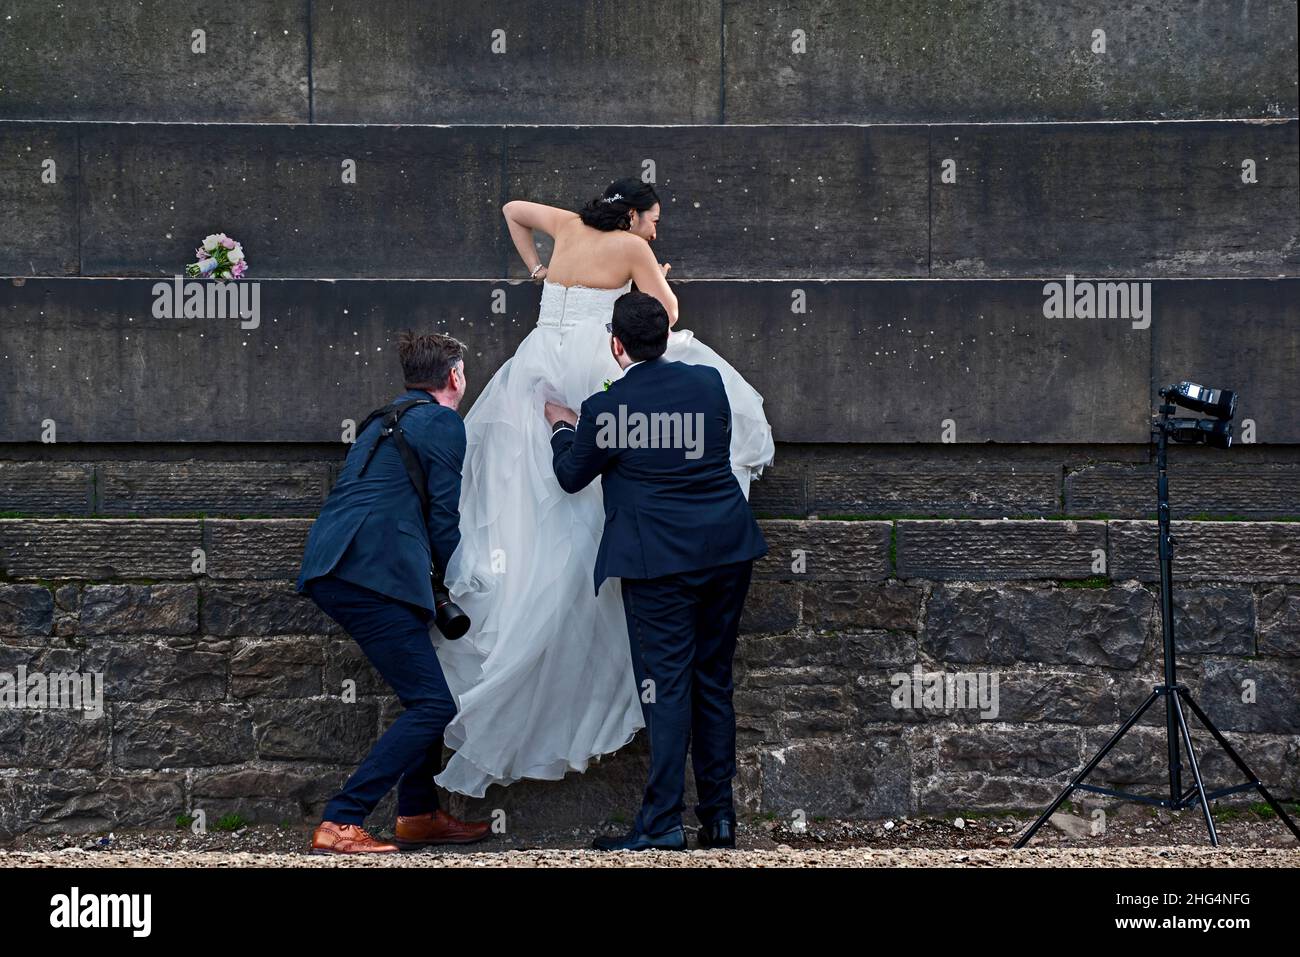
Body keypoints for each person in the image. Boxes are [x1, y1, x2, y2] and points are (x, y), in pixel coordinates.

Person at [433, 177, 774, 802]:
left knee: (527, 499)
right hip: (599, 362)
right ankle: (711, 809)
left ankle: (528, 617)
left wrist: (537, 270)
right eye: (654, 220)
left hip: (540, 364)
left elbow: (511, 208)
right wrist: (653, 273)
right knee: (663, 417)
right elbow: (666, 316)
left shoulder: (563, 222)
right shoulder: (634, 251)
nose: (656, 230)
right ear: (635, 216)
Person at [545, 291, 767, 850]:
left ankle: (662, 823)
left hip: (659, 564)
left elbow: (572, 477)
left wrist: (564, 429)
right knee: (713, 682)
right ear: (665, 339)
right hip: (725, 551)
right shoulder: (707, 385)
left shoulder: (608, 410)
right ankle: (719, 819)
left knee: (665, 689)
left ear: (616, 345)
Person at [296, 331, 492, 854]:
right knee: (432, 704)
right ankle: (341, 820)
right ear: (455, 377)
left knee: (424, 692)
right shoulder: (444, 421)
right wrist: (460, 586)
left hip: (337, 565)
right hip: (371, 574)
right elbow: (444, 519)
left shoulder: (380, 420)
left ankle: (418, 814)